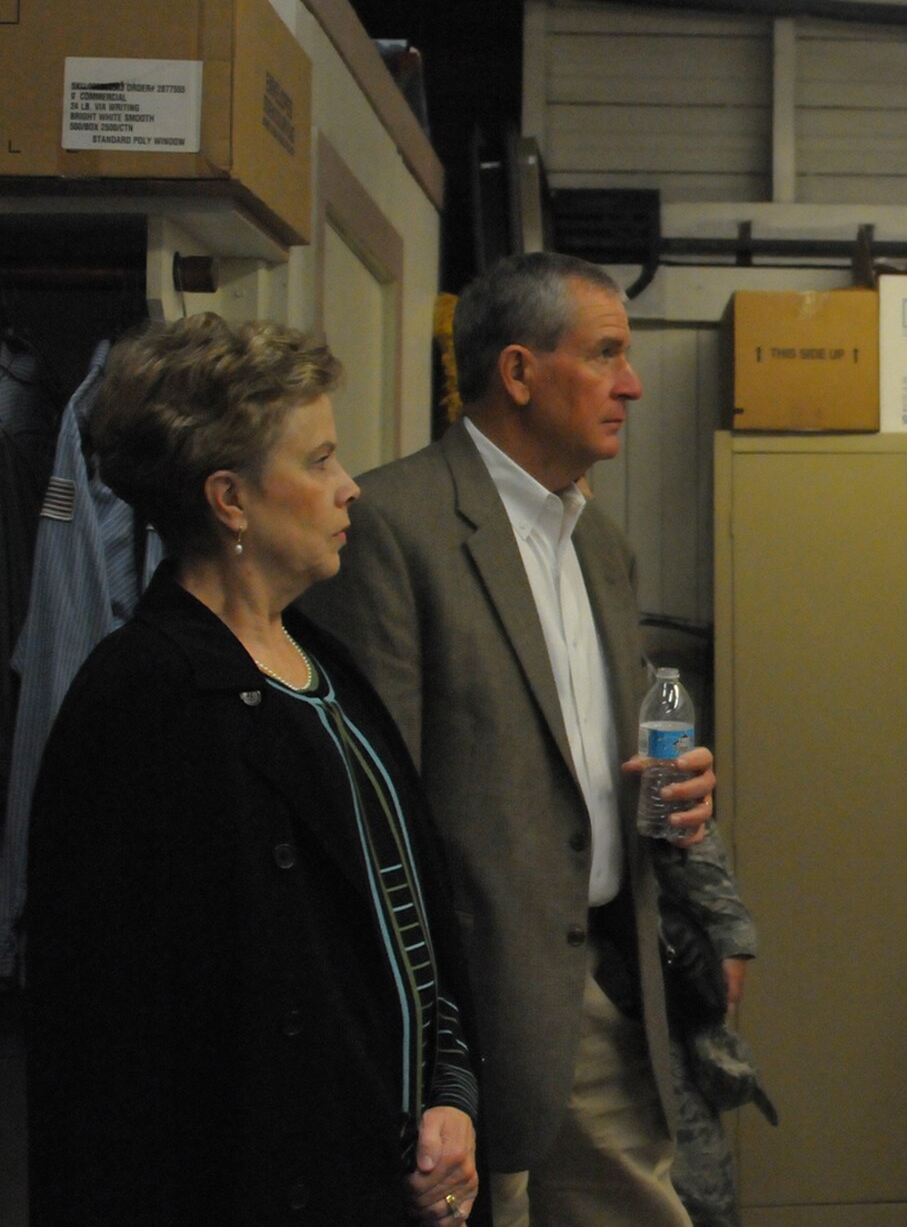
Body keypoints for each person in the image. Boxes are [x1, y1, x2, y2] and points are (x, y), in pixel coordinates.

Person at [299, 252, 753, 1227]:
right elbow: (374, 813)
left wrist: (681, 814)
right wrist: (424, 1051)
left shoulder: (601, 543)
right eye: (604, 355)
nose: (632, 382)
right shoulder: (392, 527)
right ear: (516, 372)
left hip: (610, 983)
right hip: (474, 1008)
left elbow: (604, 762)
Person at [24, 315, 480, 1225]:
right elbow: (111, 1053)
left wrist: (452, 1094)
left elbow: (409, 922)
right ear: (230, 499)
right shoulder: (143, 699)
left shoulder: (322, 660)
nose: (350, 487)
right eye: (318, 460)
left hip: (404, 1175)